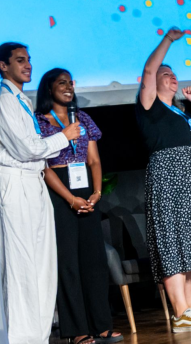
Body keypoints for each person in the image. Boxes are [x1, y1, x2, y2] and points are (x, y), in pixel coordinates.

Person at [0, 43, 81, 344]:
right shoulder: (2, 100)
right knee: (21, 263)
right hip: (15, 181)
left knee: (42, 263)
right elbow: (26, 149)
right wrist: (63, 136)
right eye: (19, 60)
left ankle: (38, 335)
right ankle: (21, 337)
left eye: (28, 60)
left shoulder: (19, 99)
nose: (27, 65)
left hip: (33, 180)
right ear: (3, 66)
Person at [135, 28, 191, 334]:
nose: (172, 77)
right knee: (172, 239)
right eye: (166, 74)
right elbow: (149, 70)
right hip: (167, 176)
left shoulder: (180, 113)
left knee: (190, 240)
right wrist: (168, 41)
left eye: (174, 74)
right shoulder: (150, 106)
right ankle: (180, 312)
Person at [34, 69, 123, 344]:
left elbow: (94, 160)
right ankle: (77, 330)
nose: (68, 87)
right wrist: (70, 199)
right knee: (68, 263)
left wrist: (96, 193)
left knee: (94, 260)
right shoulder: (39, 121)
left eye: (70, 83)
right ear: (49, 88)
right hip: (59, 192)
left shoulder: (83, 118)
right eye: (62, 83)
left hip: (85, 188)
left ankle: (101, 325)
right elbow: (44, 167)